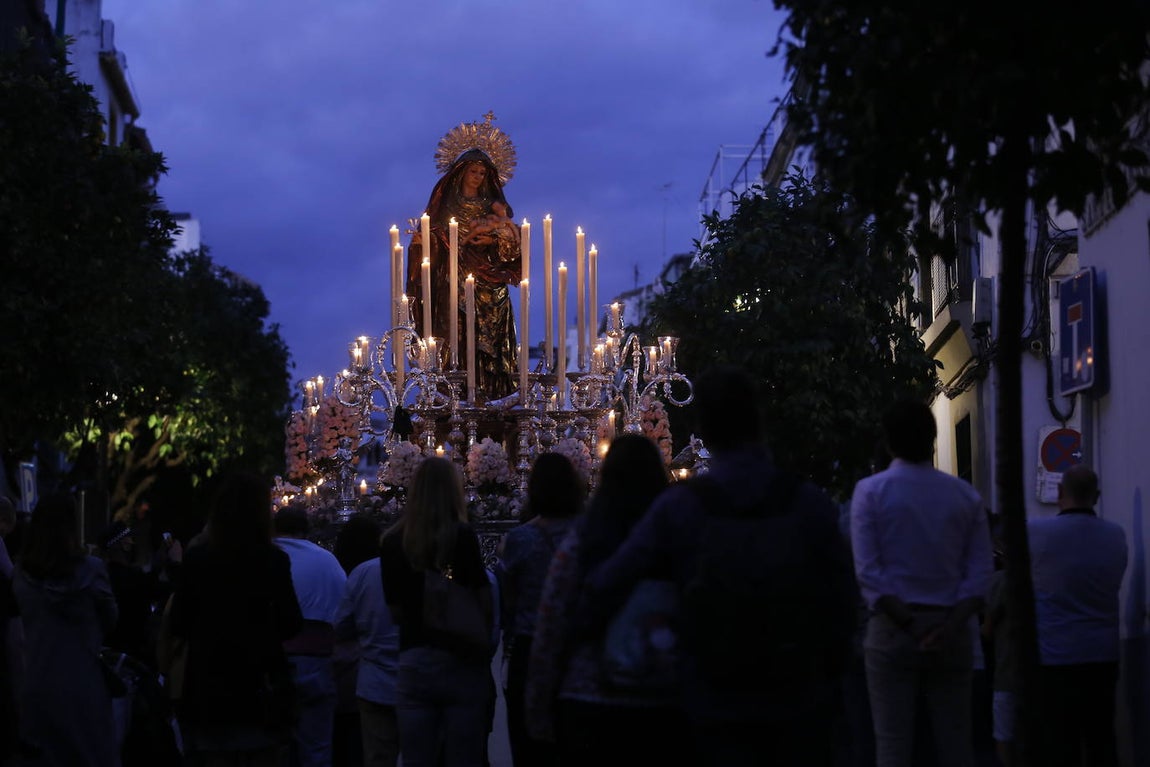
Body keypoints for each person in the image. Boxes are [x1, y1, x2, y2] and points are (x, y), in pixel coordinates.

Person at [578, 366, 858, 766]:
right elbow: (842, 602)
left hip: (709, 697)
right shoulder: (809, 504)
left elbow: (606, 582)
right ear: (760, 420)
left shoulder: (680, 507)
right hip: (797, 694)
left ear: (705, 427)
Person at [525, 434, 688, 766]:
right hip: (662, 697)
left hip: (590, 697)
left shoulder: (582, 544)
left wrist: (538, 707)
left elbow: (551, 624)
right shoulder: (681, 543)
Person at [849, 399, 994, 767]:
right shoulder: (965, 495)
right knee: (955, 744)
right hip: (953, 629)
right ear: (933, 439)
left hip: (892, 631)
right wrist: (948, 627)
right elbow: (979, 576)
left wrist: (912, 627)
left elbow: (869, 573)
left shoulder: (870, 492)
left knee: (893, 745)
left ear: (889, 442)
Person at [168, 472, 304, 767]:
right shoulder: (273, 560)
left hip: (209, 691)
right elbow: (291, 622)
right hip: (259, 689)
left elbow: (179, 622)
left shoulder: (198, 559)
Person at [379, 457, 494, 767]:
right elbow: (482, 597)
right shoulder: (462, 536)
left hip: (415, 655)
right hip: (460, 657)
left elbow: (394, 611)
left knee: (417, 757)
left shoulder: (392, 543)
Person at [407, 117, 522, 401]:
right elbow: (430, 235)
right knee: (457, 331)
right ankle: (454, 391)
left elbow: (512, 247)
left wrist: (497, 238)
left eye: (483, 173)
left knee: (490, 340)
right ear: (461, 173)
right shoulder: (446, 205)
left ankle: (493, 394)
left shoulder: (494, 208)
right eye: (473, 171)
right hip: (451, 280)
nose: (478, 177)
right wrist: (426, 240)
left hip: (489, 282)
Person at [1028, 464, 1127, 767]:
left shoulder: (1038, 532)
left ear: (1059, 493)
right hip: (1103, 653)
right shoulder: (1115, 535)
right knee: (1101, 737)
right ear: (1096, 496)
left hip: (1056, 655)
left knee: (1061, 741)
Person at [12, 492, 119, 767]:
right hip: (83, 688)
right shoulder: (93, 572)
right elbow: (110, 620)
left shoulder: (21, 576)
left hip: (37, 686)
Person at [496, 452, 584, 767]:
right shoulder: (588, 534)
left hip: (530, 649)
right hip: (577, 647)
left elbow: (508, 597)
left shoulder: (520, 539)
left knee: (529, 747)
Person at [274, 506, 349, 767]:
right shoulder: (325, 560)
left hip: (274, 662)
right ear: (305, 530)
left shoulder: (263, 558)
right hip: (317, 661)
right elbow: (344, 610)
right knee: (316, 747)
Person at [334, 516, 401, 767]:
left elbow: (340, 626)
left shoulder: (362, 573)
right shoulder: (420, 564)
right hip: (416, 677)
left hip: (373, 682)